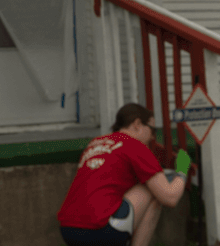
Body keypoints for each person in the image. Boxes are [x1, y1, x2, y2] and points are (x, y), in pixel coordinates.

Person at [57, 103, 186, 246]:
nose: (152, 137)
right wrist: (182, 171)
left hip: (68, 230)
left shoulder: (95, 143)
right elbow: (170, 197)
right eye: (152, 130)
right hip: (100, 231)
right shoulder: (135, 145)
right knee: (155, 191)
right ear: (137, 124)